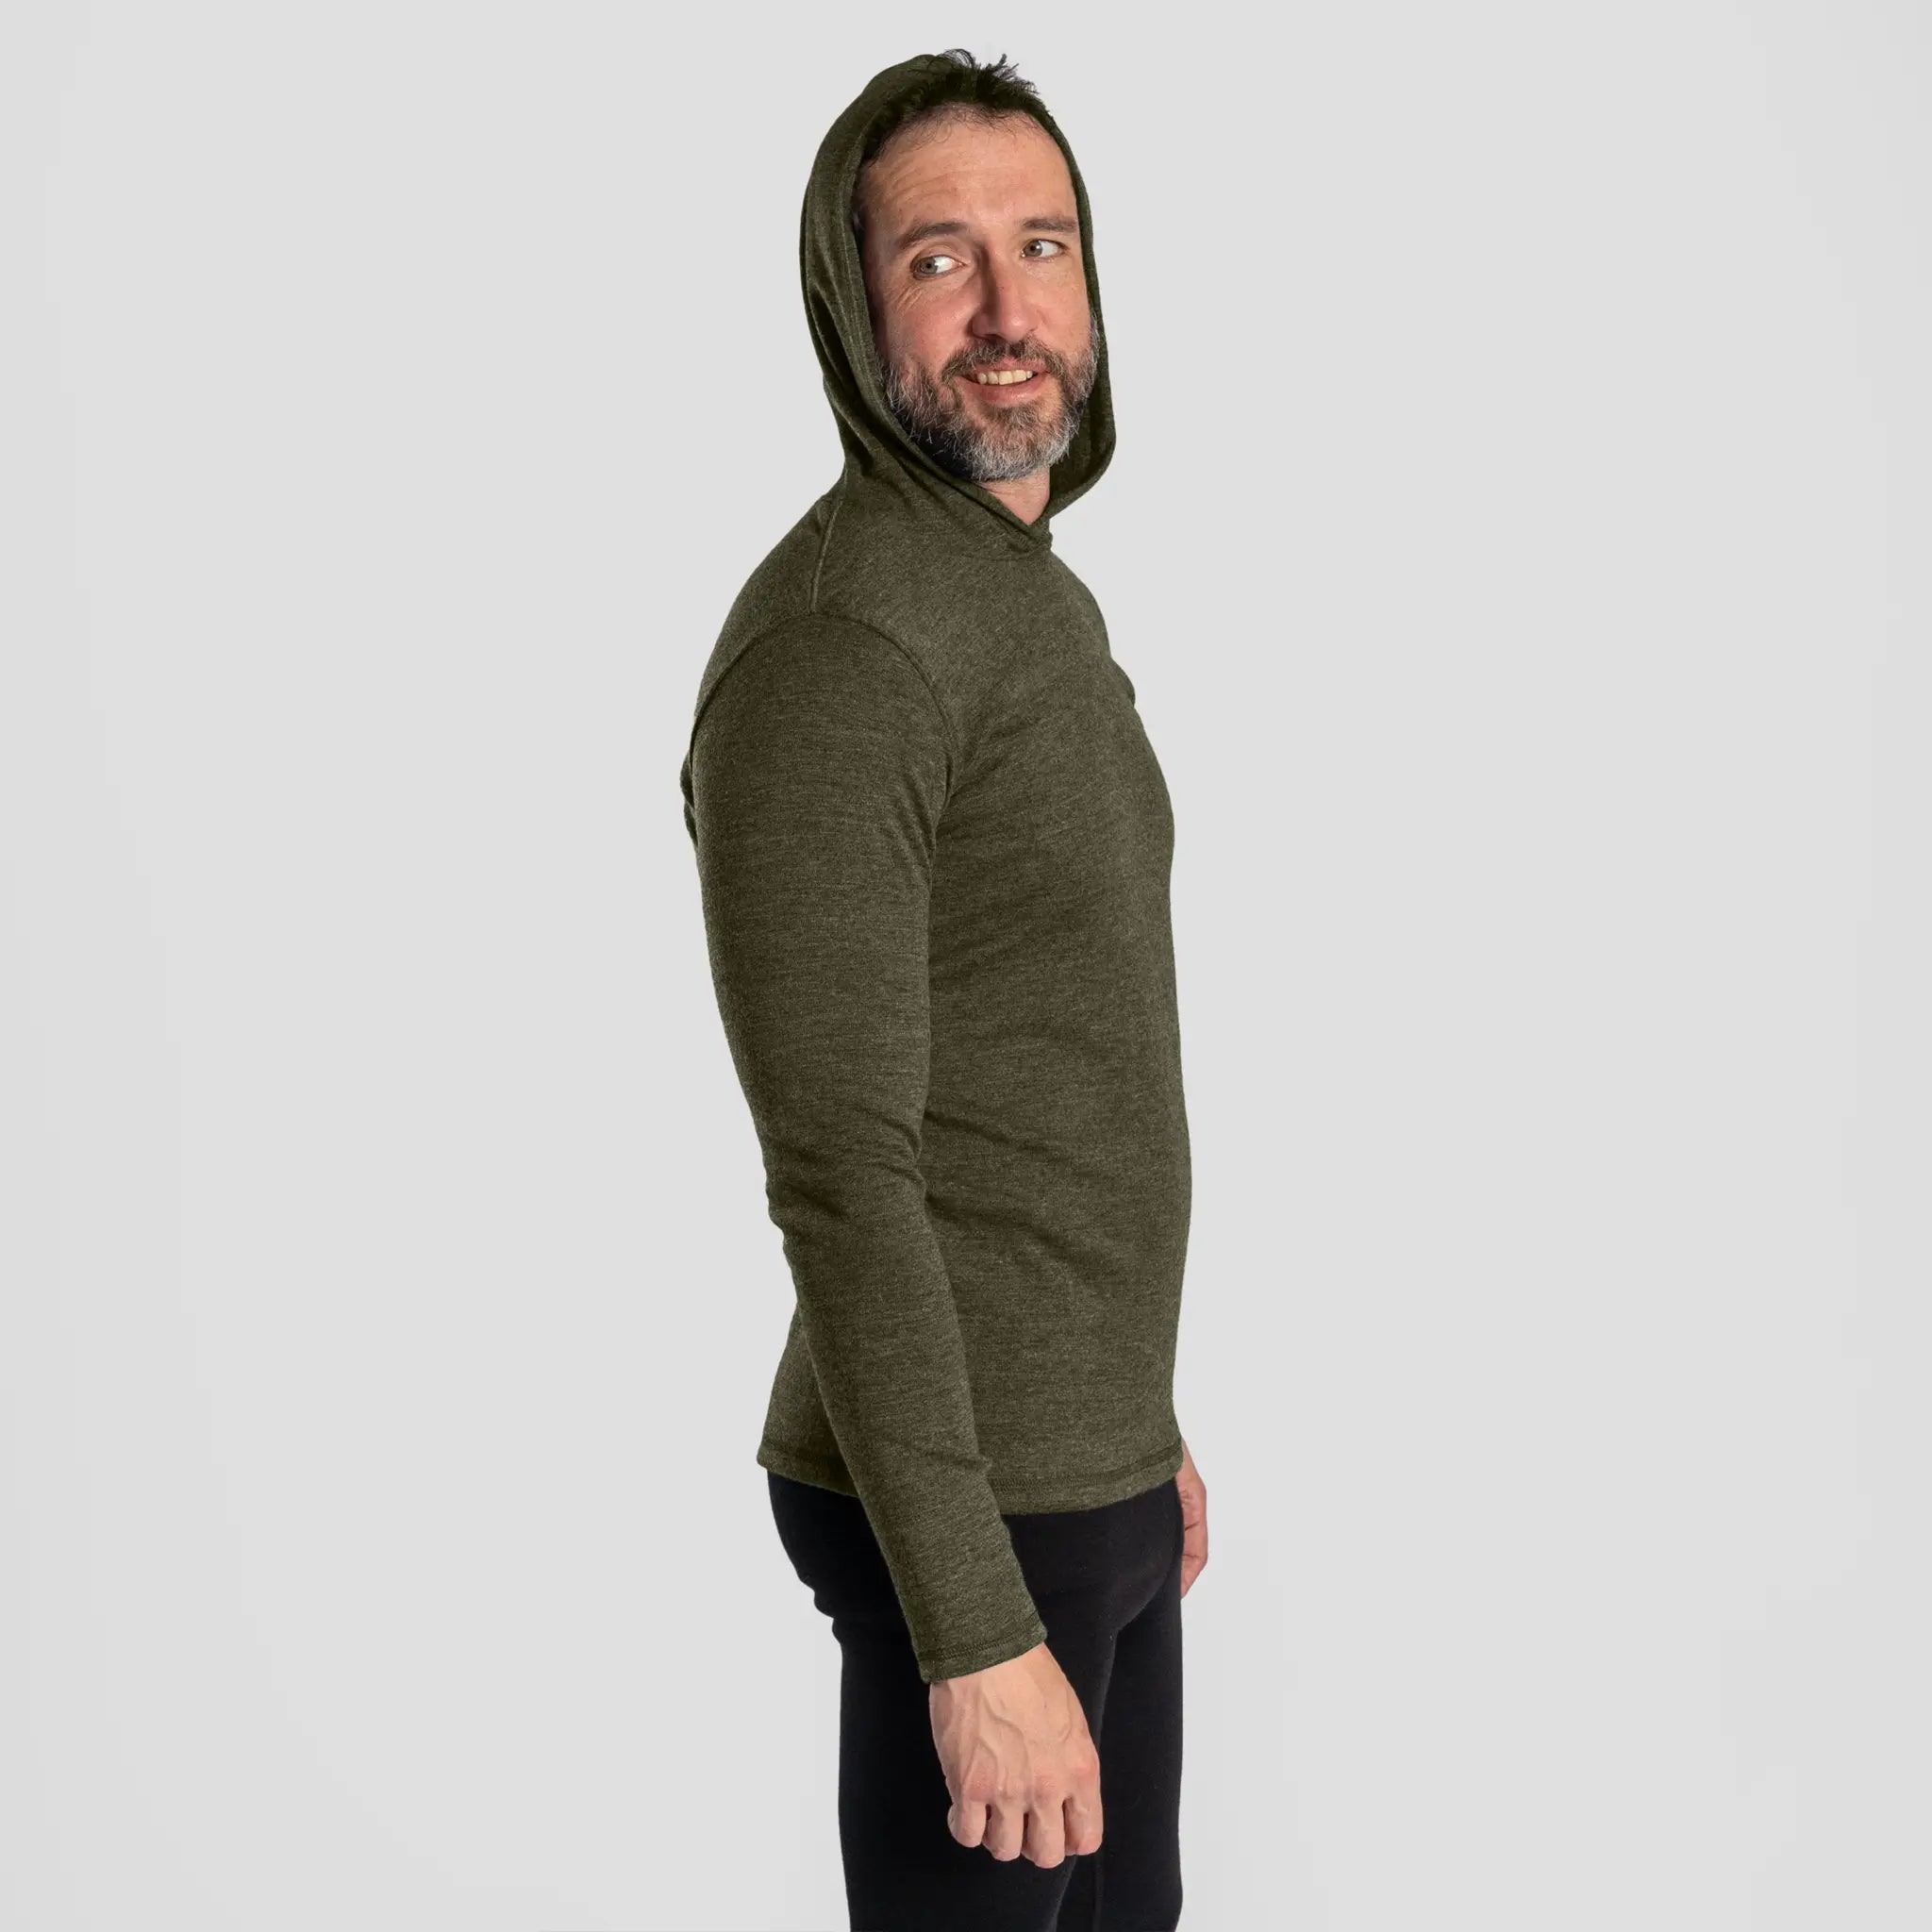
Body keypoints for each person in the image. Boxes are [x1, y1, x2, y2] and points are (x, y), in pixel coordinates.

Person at [680, 47, 1207, 1931]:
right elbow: (841, 1169)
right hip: (961, 1521)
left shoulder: (1012, 588)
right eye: (937, 259)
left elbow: (1044, 1052)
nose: (1005, 309)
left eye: (1040, 244)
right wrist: (975, 1624)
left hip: (1079, 1474)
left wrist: (1134, 1427)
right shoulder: (844, 649)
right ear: (851, 304)